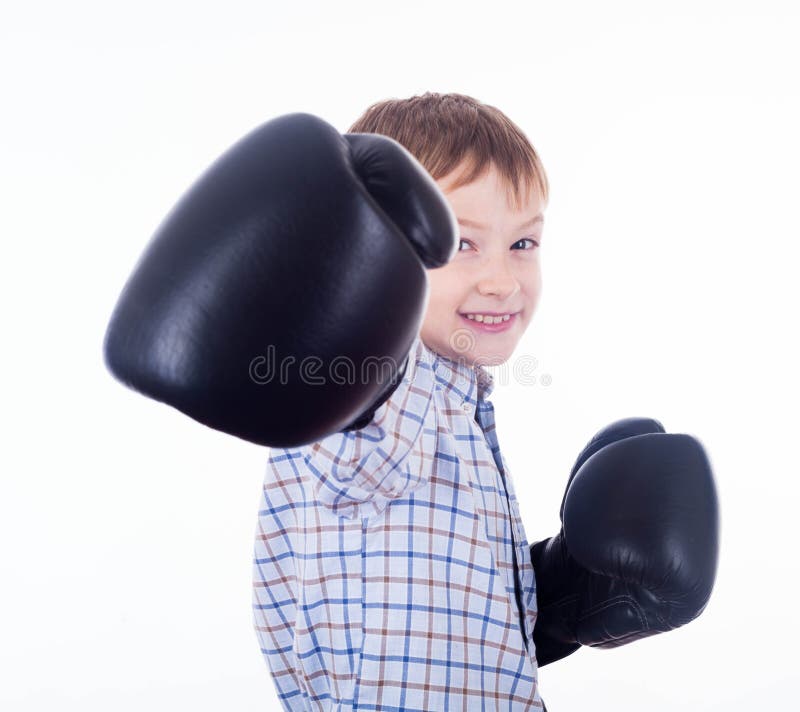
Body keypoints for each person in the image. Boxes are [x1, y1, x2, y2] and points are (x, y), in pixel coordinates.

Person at [103, 92, 718, 711]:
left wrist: (559, 598)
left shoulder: (453, 403)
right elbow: (361, 424)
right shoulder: (368, 395)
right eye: (461, 244)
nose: (502, 280)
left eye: (523, 244)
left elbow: (443, 622)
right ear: (371, 249)